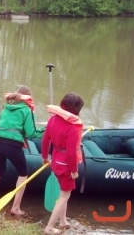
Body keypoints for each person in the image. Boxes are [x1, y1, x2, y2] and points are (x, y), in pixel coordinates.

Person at [0, 85, 44, 215]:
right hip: (12, 144)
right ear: (28, 98)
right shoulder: (26, 110)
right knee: (23, 173)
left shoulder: (6, 107)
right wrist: (45, 132)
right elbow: (31, 133)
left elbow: (3, 124)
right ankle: (16, 208)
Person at [42, 93, 84, 235]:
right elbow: (71, 153)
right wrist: (73, 170)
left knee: (62, 192)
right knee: (64, 196)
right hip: (66, 165)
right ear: (76, 109)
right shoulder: (72, 127)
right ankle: (49, 227)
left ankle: (63, 221)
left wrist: (44, 157)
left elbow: (45, 140)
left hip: (55, 161)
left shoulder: (53, 119)